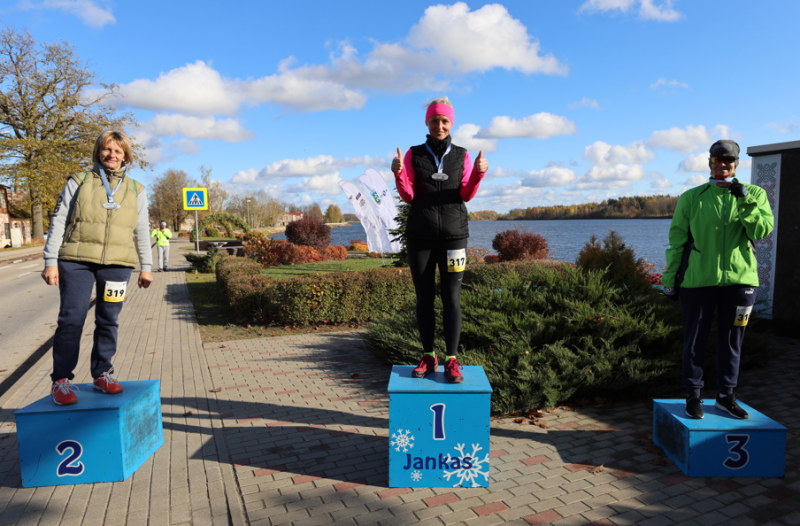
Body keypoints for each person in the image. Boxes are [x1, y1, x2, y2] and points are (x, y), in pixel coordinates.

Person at [662, 140, 773, 420]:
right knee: (694, 341)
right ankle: (693, 395)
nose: (723, 165)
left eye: (728, 160)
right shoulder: (692, 197)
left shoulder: (754, 194)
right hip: (698, 282)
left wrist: (744, 201)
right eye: (717, 160)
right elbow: (677, 242)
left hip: (741, 283)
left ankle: (726, 397)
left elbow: (760, 232)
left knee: (732, 341)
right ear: (710, 162)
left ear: (736, 163)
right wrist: (670, 279)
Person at [41, 130, 153, 406]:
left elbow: (142, 230)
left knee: (108, 319)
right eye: (107, 149)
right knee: (72, 319)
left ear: (126, 156)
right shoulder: (78, 181)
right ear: (98, 152)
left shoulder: (136, 189)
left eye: (118, 151)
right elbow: (59, 221)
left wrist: (146, 266)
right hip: (75, 262)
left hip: (117, 265)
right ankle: (61, 381)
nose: (111, 155)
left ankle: (102, 374)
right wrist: (50, 261)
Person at [391, 97, 487, 383]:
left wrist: (478, 174)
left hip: (454, 237)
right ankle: (428, 355)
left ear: (451, 123)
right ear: (427, 123)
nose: (439, 126)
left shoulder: (462, 155)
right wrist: (398, 174)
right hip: (420, 236)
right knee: (424, 297)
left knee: (452, 298)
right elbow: (408, 195)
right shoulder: (414, 154)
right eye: (434, 120)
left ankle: (452, 359)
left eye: (444, 121)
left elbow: (466, 193)